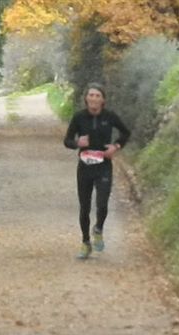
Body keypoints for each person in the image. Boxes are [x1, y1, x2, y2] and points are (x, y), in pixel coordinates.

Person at [63, 83, 131, 259]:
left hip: (103, 165)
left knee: (102, 203)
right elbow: (67, 140)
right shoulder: (79, 117)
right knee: (84, 207)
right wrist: (78, 143)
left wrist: (115, 147)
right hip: (85, 167)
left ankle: (98, 228)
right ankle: (85, 243)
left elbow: (126, 133)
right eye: (91, 95)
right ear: (86, 99)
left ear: (103, 100)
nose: (93, 98)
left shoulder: (110, 117)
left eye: (97, 96)